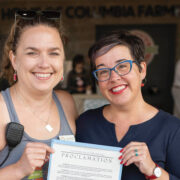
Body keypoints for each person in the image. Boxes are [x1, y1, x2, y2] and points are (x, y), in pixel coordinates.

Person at [76, 31, 180, 179]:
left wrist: (152, 170)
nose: (114, 77)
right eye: (103, 71)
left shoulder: (172, 129)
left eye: (123, 66)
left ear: (142, 70)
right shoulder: (84, 123)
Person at [0, 10, 77, 180]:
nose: (44, 63)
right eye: (32, 53)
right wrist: (18, 169)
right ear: (14, 59)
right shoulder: (1, 109)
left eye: (54, 53)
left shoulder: (66, 102)